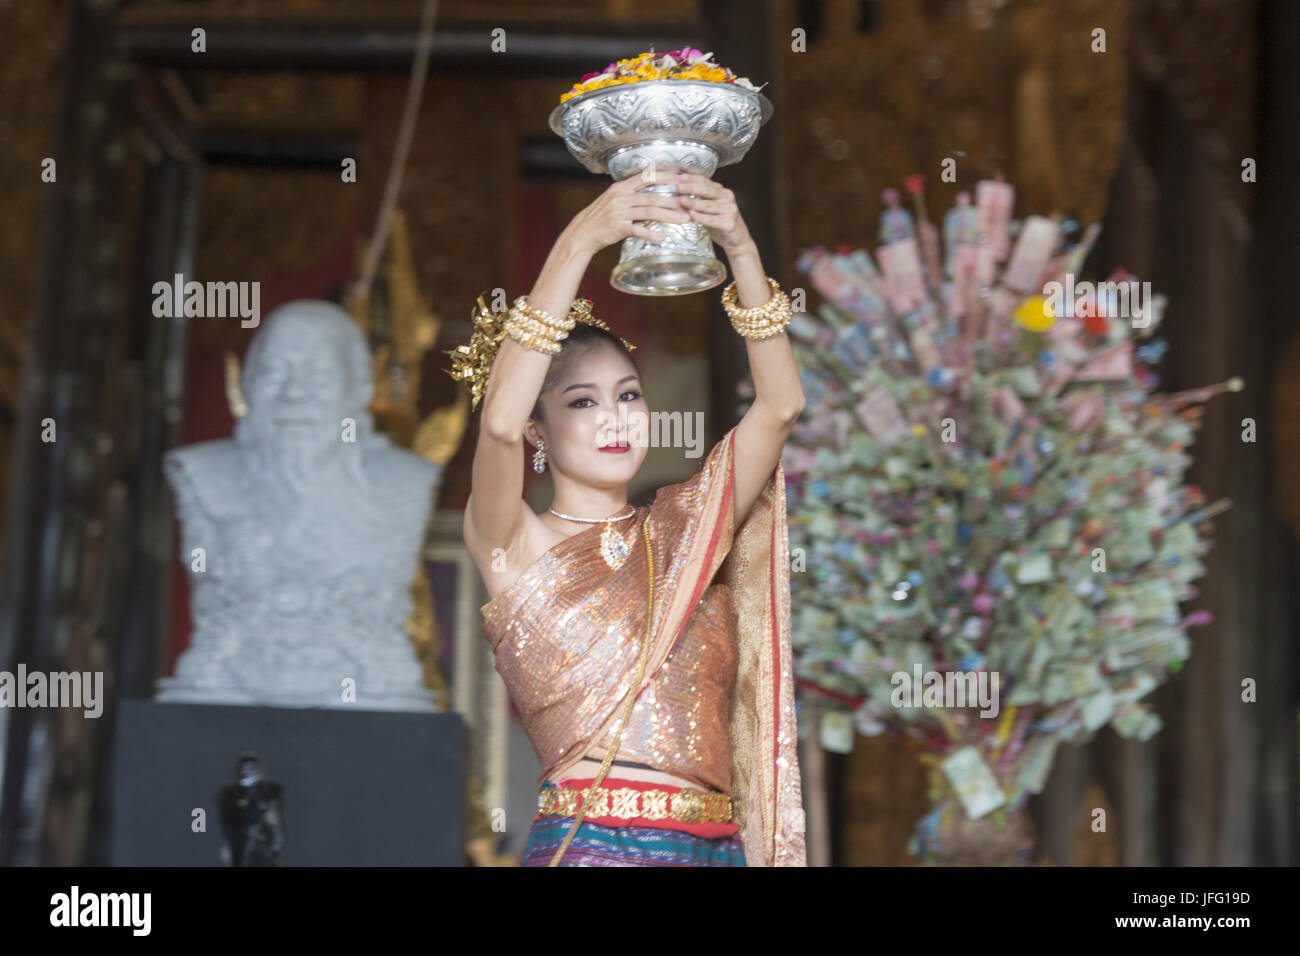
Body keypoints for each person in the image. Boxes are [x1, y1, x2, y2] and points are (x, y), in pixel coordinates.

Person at [451, 171, 807, 866]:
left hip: (716, 848)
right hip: (595, 848)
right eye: (582, 402)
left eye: (628, 394)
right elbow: (494, 427)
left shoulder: (686, 528)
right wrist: (581, 238)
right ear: (538, 433)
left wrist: (739, 245)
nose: (614, 418)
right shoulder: (512, 543)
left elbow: (781, 408)